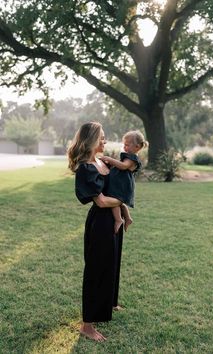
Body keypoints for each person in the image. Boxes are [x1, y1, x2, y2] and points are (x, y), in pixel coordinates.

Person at [67, 122, 124, 342]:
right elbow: (100, 201)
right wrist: (122, 200)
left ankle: (109, 303)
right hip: (100, 221)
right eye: (101, 137)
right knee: (96, 269)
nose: (105, 141)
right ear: (91, 140)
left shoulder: (101, 161)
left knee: (112, 262)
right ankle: (87, 325)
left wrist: (123, 211)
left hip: (113, 218)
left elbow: (113, 188)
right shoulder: (85, 167)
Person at [100, 130, 148, 234]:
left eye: (127, 145)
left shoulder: (132, 158)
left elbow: (123, 166)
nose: (125, 147)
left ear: (137, 147)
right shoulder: (129, 156)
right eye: (124, 145)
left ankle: (118, 220)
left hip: (122, 184)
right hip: (120, 183)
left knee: (113, 200)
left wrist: (110, 159)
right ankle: (128, 218)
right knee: (119, 201)